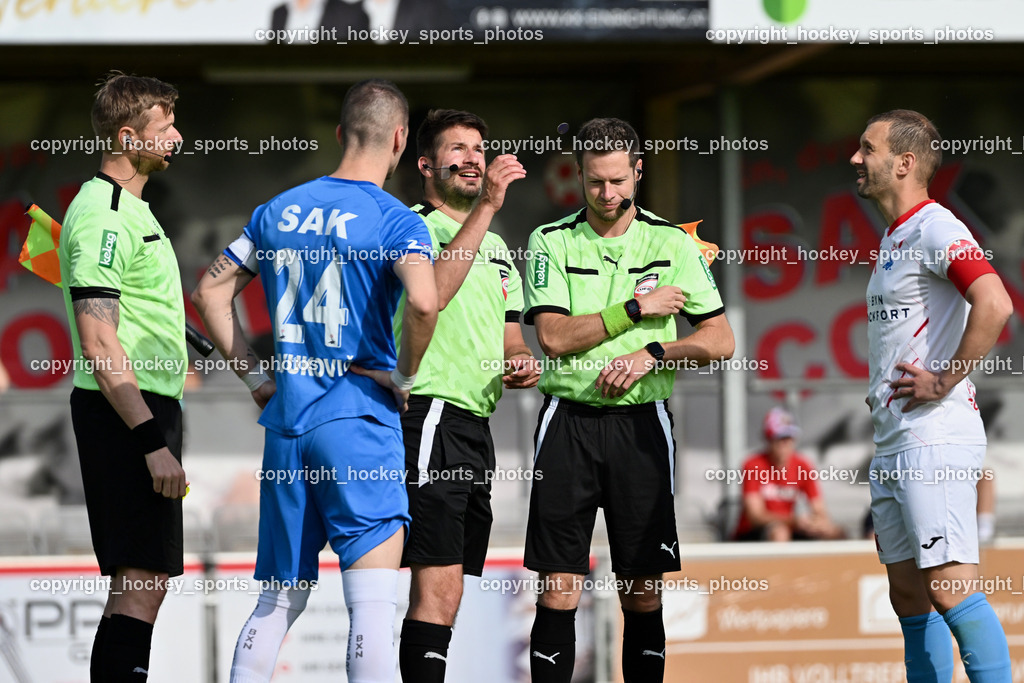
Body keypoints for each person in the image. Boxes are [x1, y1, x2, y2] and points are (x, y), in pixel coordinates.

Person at [191, 79, 438, 683]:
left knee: (277, 602)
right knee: (373, 609)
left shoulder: (278, 209)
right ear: (400, 139)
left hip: (287, 427)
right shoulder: (394, 218)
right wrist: (403, 375)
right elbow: (426, 304)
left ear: (339, 134)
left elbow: (209, 291)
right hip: (357, 420)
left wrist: (254, 378)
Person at [523, 117, 734, 683]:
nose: (608, 194)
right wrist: (637, 312)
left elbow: (721, 340)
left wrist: (656, 353)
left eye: (618, 181)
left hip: (643, 426)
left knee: (642, 589)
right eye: (595, 183)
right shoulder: (550, 240)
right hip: (566, 424)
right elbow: (554, 337)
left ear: (638, 171)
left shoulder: (673, 243)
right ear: (579, 177)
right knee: (559, 586)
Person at [854, 109, 1013, 682]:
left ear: (904, 162)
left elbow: (995, 303)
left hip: (935, 437)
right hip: (895, 440)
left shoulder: (936, 226)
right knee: (908, 597)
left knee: (949, 588)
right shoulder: (895, 237)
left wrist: (945, 378)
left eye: (866, 149)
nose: (855, 159)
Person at [394, 109, 534, 683]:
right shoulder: (410, 226)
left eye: (480, 147)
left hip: (476, 425)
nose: (474, 157)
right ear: (426, 165)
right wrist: (488, 209)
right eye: (458, 149)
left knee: (449, 592)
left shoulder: (499, 247)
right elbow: (436, 295)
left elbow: (511, 339)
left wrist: (520, 363)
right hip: (428, 414)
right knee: (433, 586)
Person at [59, 72, 187, 682]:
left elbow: (139, 317)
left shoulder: (131, 208)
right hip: (125, 415)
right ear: (128, 135)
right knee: (139, 579)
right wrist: (150, 443)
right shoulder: (103, 213)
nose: (178, 137)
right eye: (165, 128)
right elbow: (99, 340)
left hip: (147, 407)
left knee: (146, 580)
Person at [733, 407, 845, 542]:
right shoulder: (753, 465)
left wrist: (817, 523)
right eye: (779, 438)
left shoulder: (802, 465)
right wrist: (794, 521)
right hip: (753, 532)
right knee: (779, 532)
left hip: (790, 525)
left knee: (835, 532)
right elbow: (756, 516)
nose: (785, 443)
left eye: (789, 437)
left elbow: (819, 508)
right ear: (768, 439)